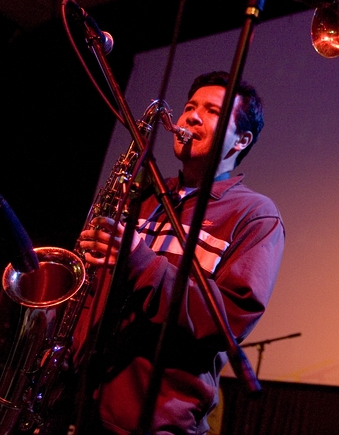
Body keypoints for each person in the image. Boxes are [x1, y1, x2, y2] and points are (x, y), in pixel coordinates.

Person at [73, 71, 285, 435]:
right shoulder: (142, 197)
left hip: (153, 423)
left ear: (241, 140)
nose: (191, 116)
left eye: (212, 111)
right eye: (189, 106)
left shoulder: (254, 215)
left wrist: (139, 259)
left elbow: (228, 319)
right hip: (79, 403)